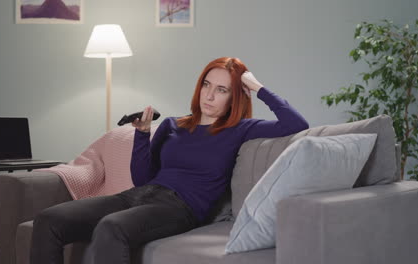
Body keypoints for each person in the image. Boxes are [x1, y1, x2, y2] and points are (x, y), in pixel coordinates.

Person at [30, 57, 309, 264]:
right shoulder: (174, 125)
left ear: (235, 96)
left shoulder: (241, 128)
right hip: (138, 196)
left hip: (180, 208)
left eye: (222, 90)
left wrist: (256, 86)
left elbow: (296, 123)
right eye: (207, 85)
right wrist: (142, 134)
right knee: (49, 219)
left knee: (111, 227)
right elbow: (142, 178)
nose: (209, 95)